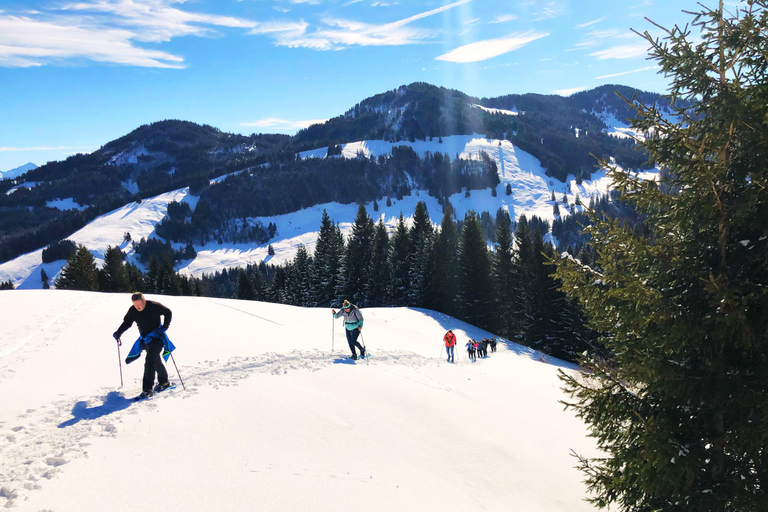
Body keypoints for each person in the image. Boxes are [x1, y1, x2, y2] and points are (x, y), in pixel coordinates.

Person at [113, 292, 172, 399]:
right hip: (145, 339)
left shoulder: (154, 306)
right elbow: (127, 322)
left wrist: (165, 326)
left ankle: (147, 389)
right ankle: (164, 382)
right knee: (155, 360)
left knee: (150, 360)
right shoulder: (133, 310)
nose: (137, 307)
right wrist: (119, 332)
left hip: (157, 338)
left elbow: (168, 312)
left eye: (138, 305)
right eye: (135, 305)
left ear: (144, 301)